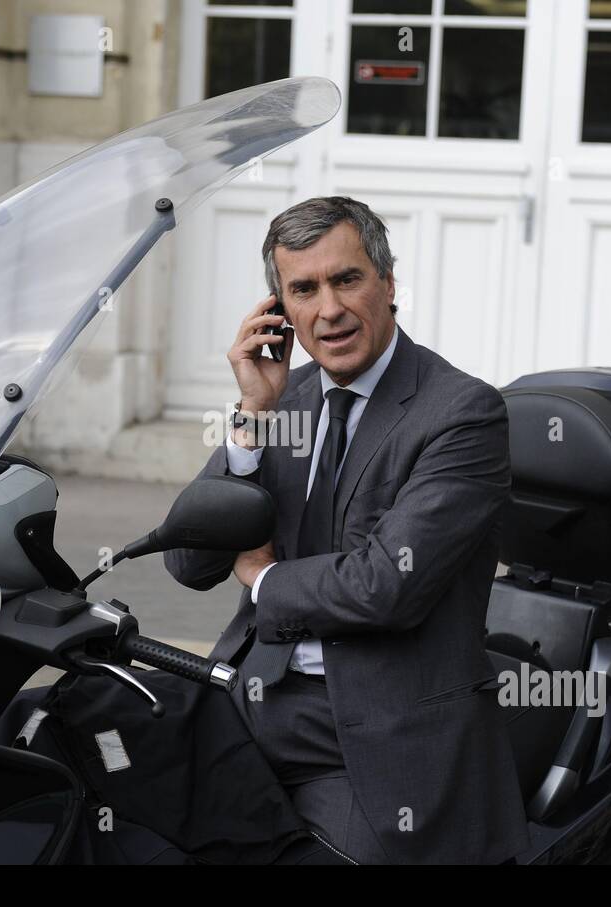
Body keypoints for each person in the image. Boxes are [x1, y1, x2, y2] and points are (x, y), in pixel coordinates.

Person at [165, 196, 529, 864]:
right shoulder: (285, 399)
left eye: (346, 280)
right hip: (251, 702)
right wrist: (250, 417)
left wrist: (264, 577)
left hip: (374, 736)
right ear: (281, 310)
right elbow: (189, 561)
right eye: (303, 289)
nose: (328, 309)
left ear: (389, 285)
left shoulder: (461, 413)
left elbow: (387, 583)